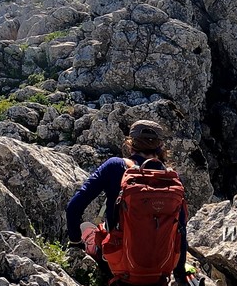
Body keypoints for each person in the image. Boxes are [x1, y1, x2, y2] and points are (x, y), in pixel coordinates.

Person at [66, 119, 188, 285]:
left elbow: (73, 208)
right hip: (158, 271)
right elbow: (181, 229)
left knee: (88, 228)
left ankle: (92, 250)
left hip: (117, 265)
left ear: (130, 143)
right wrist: (180, 273)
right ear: (160, 146)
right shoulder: (171, 178)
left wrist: (76, 244)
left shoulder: (115, 166)